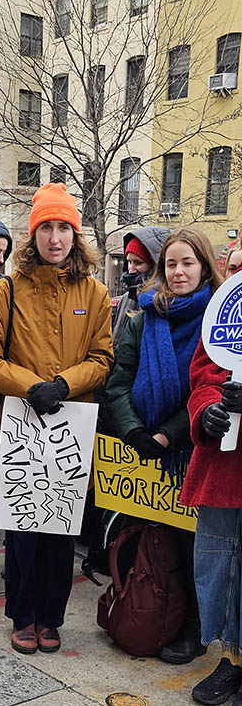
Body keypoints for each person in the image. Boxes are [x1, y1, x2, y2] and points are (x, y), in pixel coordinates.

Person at [0, 182, 114, 653]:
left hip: (72, 424)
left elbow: (102, 358)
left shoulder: (95, 293)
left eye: (64, 228)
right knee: (23, 529)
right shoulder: (6, 290)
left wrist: (65, 385)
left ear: (76, 234)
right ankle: (23, 614)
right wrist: (31, 386)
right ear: (33, 236)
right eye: (46, 228)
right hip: (21, 424)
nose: (56, 238)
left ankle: (51, 617)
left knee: (61, 529)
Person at [105, 227, 223, 664]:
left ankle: (193, 627)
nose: (178, 272)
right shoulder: (143, 319)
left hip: (194, 451)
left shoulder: (219, 322)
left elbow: (206, 388)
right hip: (142, 453)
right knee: (150, 541)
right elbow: (118, 383)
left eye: (187, 263)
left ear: (204, 267)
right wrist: (134, 432)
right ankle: (146, 612)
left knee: (194, 548)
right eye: (170, 264)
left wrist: (168, 434)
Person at [179, 264, 242, 706]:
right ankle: (231, 657)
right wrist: (206, 411)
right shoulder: (230, 306)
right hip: (224, 464)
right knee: (220, 560)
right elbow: (205, 372)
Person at [112, 228, 170, 347]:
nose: (131, 269)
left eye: (138, 262)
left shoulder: (163, 300)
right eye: (129, 262)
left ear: (154, 264)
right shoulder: (125, 299)